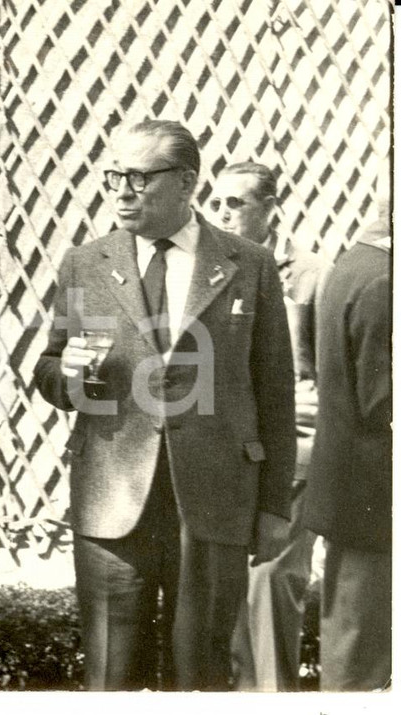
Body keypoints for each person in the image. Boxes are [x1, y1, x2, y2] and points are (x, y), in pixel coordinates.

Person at [33, 120, 296, 691]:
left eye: (138, 178)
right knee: (110, 673)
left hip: (214, 495)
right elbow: (49, 370)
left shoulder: (248, 264)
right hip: (112, 496)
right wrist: (68, 373)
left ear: (186, 183)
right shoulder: (86, 263)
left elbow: (274, 390)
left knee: (200, 671)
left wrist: (275, 506)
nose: (121, 192)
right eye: (112, 177)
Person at [209, 162, 330, 691]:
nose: (221, 213)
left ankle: (272, 699)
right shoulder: (215, 268)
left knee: (271, 583)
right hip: (229, 449)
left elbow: (333, 368)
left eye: (236, 203)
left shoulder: (309, 276)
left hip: (292, 448)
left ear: (270, 208)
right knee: (225, 587)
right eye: (216, 202)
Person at [302, 200, 391, 691]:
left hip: (356, 498)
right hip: (373, 501)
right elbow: (384, 404)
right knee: (361, 663)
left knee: (352, 651)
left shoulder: (353, 263)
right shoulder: (383, 280)